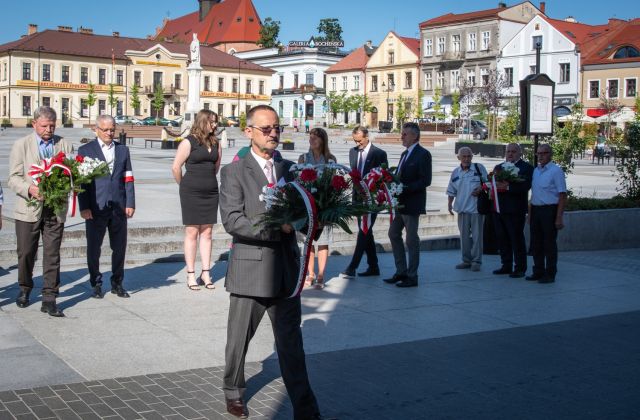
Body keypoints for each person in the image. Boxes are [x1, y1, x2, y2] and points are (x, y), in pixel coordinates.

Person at [219, 105, 320, 419]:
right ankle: (233, 392)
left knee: (292, 347)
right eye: (267, 129)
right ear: (248, 132)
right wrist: (276, 227)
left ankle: (306, 409)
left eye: (277, 128)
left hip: (286, 273)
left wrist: (314, 219)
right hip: (251, 270)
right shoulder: (234, 171)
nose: (274, 133)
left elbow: (304, 215)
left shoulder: (291, 170)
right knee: (238, 341)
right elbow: (233, 220)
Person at [8, 106, 73, 317]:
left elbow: (72, 173)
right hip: (29, 209)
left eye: (52, 125)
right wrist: (30, 189)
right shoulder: (21, 145)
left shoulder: (64, 144)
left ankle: (49, 297)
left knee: (52, 253)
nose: (48, 130)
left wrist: (65, 185)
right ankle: (25, 288)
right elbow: (13, 178)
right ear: (34, 123)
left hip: (55, 208)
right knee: (26, 252)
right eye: (44, 126)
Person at [78, 115, 136, 298]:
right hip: (96, 207)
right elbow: (81, 182)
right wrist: (84, 206)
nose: (110, 133)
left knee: (119, 247)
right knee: (94, 248)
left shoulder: (123, 150)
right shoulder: (85, 150)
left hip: (118, 206)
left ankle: (117, 282)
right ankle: (95, 282)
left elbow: (128, 178)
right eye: (106, 130)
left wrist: (130, 202)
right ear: (96, 129)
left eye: (112, 129)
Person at [172, 109, 221, 291]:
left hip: (211, 192)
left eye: (215, 122)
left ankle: (206, 272)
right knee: (192, 232)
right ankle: (191, 273)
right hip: (191, 192)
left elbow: (216, 167)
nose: (215, 125)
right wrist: (184, 185)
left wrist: (206, 182)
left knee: (207, 232)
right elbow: (176, 167)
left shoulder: (216, 143)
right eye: (212, 121)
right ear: (202, 122)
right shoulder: (188, 142)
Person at [384, 122, 432, 288]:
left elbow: (426, 180)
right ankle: (401, 271)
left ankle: (412, 276)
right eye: (402, 134)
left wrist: (405, 188)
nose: (402, 137)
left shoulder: (423, 154)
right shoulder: (405, 154)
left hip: (412, 204)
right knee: (393, 234)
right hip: (400, 203)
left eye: (405, 134)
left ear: (414, 136)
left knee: (411, 240)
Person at [341, 126, 388, 278]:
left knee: (364, 231)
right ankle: (373, 266)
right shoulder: (352, 152)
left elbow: (384, 178)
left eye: (360, 141)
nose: (358, 144)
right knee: (367, 232)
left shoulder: (379, 154)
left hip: (372, 199)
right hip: (358, 198)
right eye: (355, 141)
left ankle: (352, 266)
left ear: (367, 137)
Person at [298, 127, 336, 289]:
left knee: (322, 240)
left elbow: (333, 182)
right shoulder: (303, 158)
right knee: (309, 240)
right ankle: (310, 273)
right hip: (308, 203)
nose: (312, 139)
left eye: (316, 137)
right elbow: (298, 179)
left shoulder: (330, 159)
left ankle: (321, 275)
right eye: (310, 136)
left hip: (324, 204)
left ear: (323, 140)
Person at [492, 143, 534, 278]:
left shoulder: (526, 168)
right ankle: (506, 265)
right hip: (500, 209)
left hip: (516, 210)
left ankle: (520, 267)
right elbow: (494, 184)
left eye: (513, 151)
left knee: (516, 239)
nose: (510, 154)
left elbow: (526, 186)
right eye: (508, 151)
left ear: (520, 153)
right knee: (502, 238)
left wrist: (508, 187)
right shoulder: (499, 167)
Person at [527, 144, 567, 283]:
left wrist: (559, 217)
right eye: (539, 153)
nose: (541, 156)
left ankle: (550, 273)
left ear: (550, 154)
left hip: (550, 210)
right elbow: (534, 194)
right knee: (536, 243)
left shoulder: (556, 171)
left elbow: (562, 195)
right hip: (536, 210)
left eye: (544, 153)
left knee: (549, 244)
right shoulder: (536, 171)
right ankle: (538, 271)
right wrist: (530, 214)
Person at [447, 147, 488, 271]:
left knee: (477, 237)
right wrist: (449, 204)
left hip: (476, 210)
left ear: (472, 157)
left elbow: (488, 183)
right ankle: (466, 260)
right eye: (463, 156)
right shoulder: (455, 172)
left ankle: (476, 261)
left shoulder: (479, 168)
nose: (466, 159)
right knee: (464, 237)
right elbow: (451, 190)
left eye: (468, 156)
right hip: (462, 209)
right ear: (458, 157)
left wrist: (481, 188)